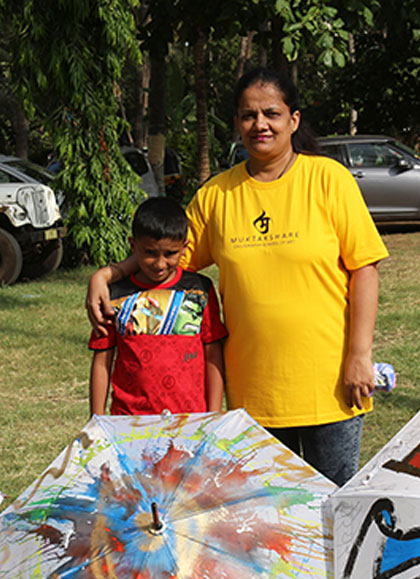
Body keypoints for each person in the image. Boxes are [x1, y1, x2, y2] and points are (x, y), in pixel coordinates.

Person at [87, 67, 388, 485]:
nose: (260, 124)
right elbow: (168, 255)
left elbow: (364, 270)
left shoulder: (328, 180)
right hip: (254, 396)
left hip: (331, 386)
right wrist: (108, 274)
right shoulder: (216, 195)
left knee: (336, 507)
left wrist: (359, 356)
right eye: (249, 115)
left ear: (293, 120)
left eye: (272, 114)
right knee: (268, 514)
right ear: (236, 124)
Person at [88, 197, 227, 416]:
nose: (160, 264)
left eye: (170, 254)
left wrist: (213, 416)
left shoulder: (199, 291)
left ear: (185, 247)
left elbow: (213, 354)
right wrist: (96, 419)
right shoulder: (113, 295)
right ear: (133, 246)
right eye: (150, 253)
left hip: (190, 420)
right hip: (130, 421)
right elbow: (102, 360)